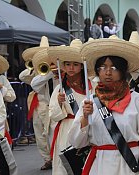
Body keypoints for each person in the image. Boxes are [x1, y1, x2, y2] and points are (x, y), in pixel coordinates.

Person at [69, 35, 139, 175]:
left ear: (122, 70)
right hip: (100, 166)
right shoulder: (89, 103)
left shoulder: (138, 101)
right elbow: (76, 143)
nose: (107, 72)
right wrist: (84, 119)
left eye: (113, 67)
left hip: (130, 166)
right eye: (102, 67)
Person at [48, 39, 94, 175]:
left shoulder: (93, 86)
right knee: (65, 166)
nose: (71, 68)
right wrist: (60, 102)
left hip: (88, 127)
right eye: (67, 64)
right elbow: (54, 116)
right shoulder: (60, 88)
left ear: (82, 66)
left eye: (75, 64)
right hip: (67, 130)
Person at [20, 36, 54, 170]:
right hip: (36, 106)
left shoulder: (51, 71)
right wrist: (34, 67)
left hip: (48, 106)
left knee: (49, 134)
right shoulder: (37, 71)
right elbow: (22, 77)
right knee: (39, 135)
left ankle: (54, 157)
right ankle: (47, 159)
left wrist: (48, 71)